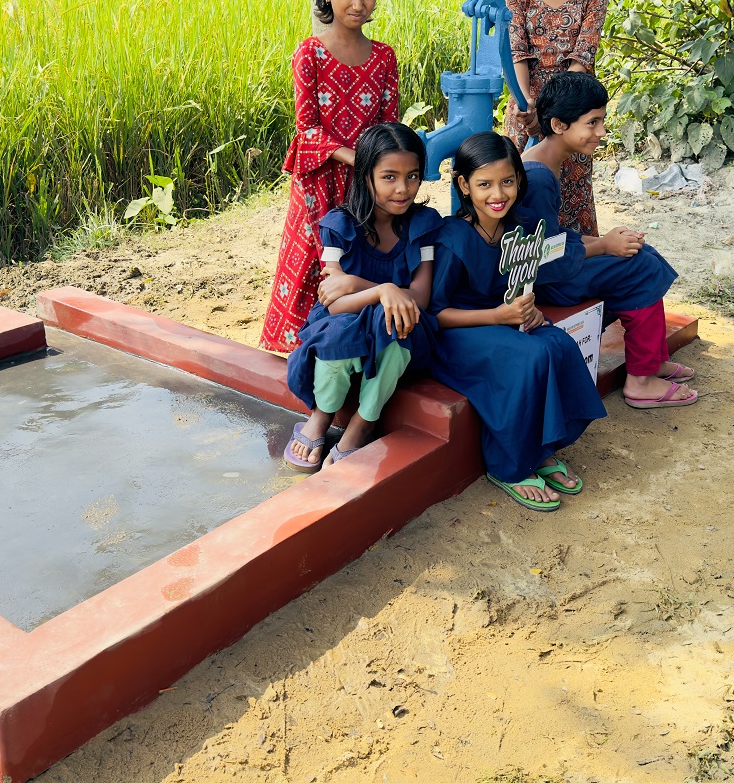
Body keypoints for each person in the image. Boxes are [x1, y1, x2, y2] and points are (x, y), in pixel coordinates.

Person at [428, 132, 607, 512]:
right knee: (529, 356)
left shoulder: (518, 229)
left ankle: (542, 449)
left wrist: (527, 310)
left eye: (507, 182)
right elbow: (435, 314)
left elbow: (516, 286)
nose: (498, 194)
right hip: (457, 334)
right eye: (485, 184)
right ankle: (508, 466)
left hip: (502, 322)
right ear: (464, 185)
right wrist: (498, 316)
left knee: (557, 344)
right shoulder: (452, 238)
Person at [517, 73, 698, 409]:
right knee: (640, 268)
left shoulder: (545, 160)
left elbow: (549, 234)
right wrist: (602, 246)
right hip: (545, 280)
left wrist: (610, 241)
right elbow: (541, 253)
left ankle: (653, 360)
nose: (601, 132)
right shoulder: (538, 176)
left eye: (602, 121)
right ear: (558, 125)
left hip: (553, 266)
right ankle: (641, 380)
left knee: (641, 253)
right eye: (592, 122)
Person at [261, 0, 400, 353]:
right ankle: (297, 351)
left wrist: (381, 170)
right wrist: (357, 159)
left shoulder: (384, 57)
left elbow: (389, 125)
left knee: (361, 257)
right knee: (313, 259)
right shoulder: (310, 53)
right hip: (320, 181)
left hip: (367, 184)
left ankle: (351, 346)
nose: (359, 4)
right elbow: (306, 129)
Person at [283, 123, 442, 470]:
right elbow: (334, 303)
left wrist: (358, 284)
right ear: (365, 175)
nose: (403, 188)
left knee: (395, 320)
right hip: (344, 322)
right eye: (389, 177)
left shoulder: (423, 225)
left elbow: (420, 298)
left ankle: (362, 424)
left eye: (412, 176)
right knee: (338, 330)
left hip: (403, 331)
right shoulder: (339, 226)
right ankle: (321, 415)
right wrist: (382, 289)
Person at [504, 0, 608, 235]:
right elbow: (517, 54)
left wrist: (552, 114)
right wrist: (527, 105)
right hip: (525, 109)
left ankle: (579, 255)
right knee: (517, 185)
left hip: (573, 112)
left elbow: (581, 59)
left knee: (571, 185)